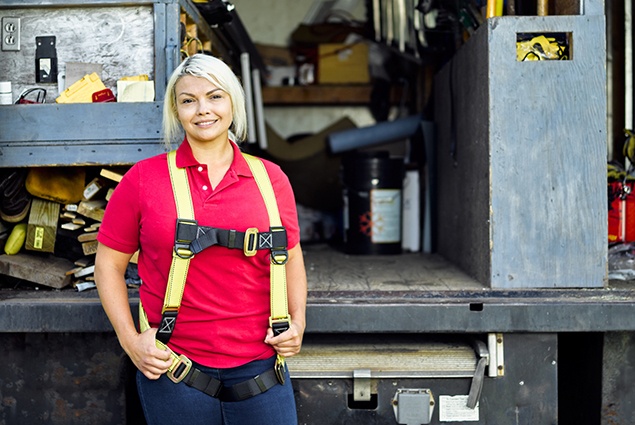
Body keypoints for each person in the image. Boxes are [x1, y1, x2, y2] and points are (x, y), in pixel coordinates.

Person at [94, 53, 307, 425]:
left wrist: (298, 321)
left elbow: (289, 254)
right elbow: (108, 265)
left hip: (261, 368)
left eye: (214, 96)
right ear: (176, 111)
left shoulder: (271, 180)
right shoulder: (144, 180)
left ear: (233, 102)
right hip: (175, 371)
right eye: (188, 100)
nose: (202, 110)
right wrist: (131, 341)